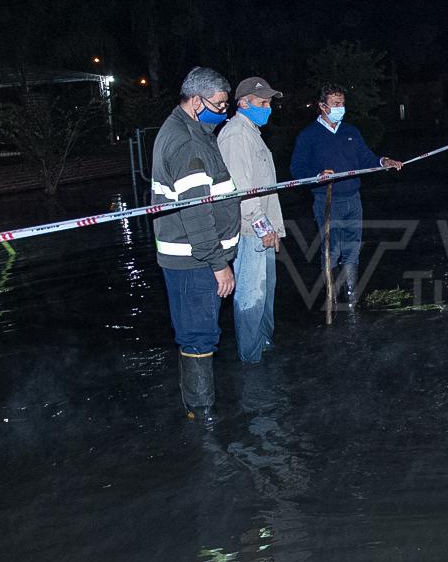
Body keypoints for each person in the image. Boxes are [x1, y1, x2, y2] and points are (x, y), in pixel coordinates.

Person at [151, 67, 239, 425]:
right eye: (219, 105)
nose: (224, 111)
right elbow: (197, 212)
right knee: (199, 335)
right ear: (196, 100)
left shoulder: (189, 130)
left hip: (191, 257)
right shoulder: (187, 142)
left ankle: (197, 406)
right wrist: (218, 263)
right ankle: (202, 417)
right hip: (194, 260)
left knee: (195, 331)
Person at [290, 84, 402, 309]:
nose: (341, 108)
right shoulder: (308, 135)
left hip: (353, 198)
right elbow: (297, 169)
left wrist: (383, 162)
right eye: (335, 104)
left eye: (342, 103)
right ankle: (332, 297)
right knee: (332, 249)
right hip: (327, 200)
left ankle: (351, 297)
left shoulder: (351, 131)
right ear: (322, 106)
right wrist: (317, 176)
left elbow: (365, 157)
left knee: (352, 248)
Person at [217, 76, 286, 363]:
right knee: (251, 296)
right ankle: (251, 359)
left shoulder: (252, 132)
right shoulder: (235, 136)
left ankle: (263, 345)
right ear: (243, 103)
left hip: (265, 230)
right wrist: (262, 228)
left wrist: (275, 229)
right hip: (251, 233)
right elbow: (242, 190)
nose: (267, 108)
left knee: (265, 293)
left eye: (269, 102)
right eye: (262, 102)